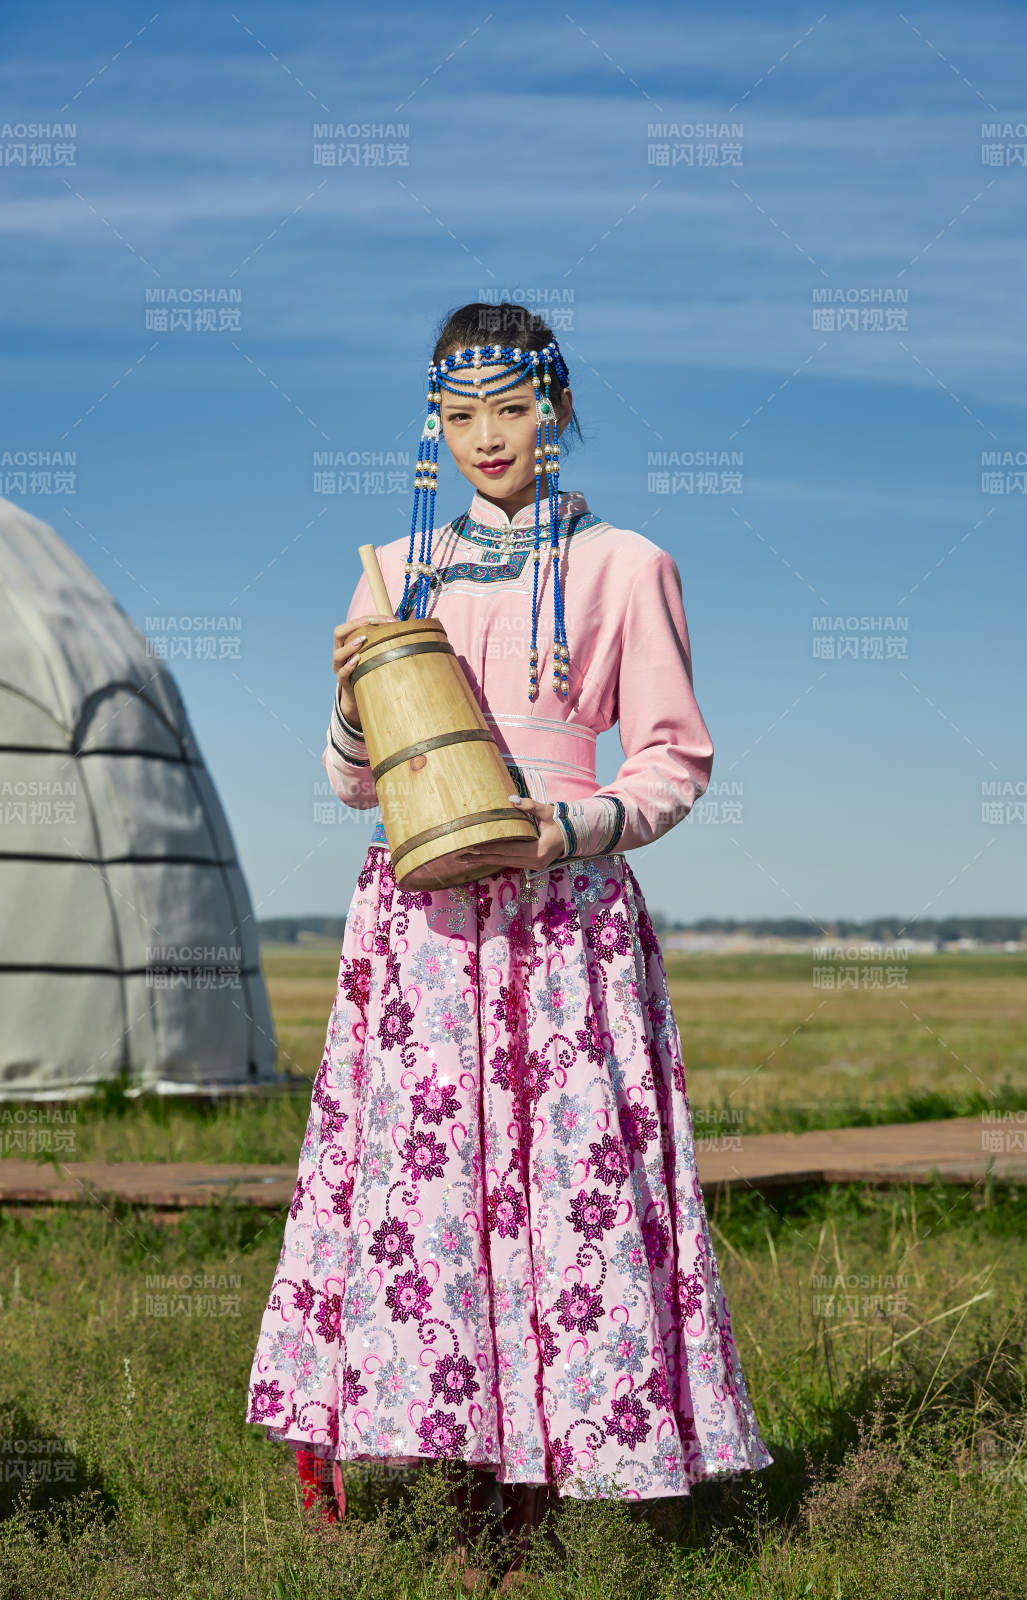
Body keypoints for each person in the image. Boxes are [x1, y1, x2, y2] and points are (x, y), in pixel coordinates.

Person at [246, 303, 773, 1574]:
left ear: (557, 409)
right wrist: (343, 698)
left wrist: (565, 829)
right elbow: (349, 783)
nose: (489, 435)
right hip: (421, 925)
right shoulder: (389, 569)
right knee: (426, 1204)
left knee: (556, 1192)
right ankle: (463, 1481)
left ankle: (549, 1485)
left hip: (557, 914)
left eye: (513, 407)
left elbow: (672, 762)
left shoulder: (625, 566)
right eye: (460, 413)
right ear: (434, 423)